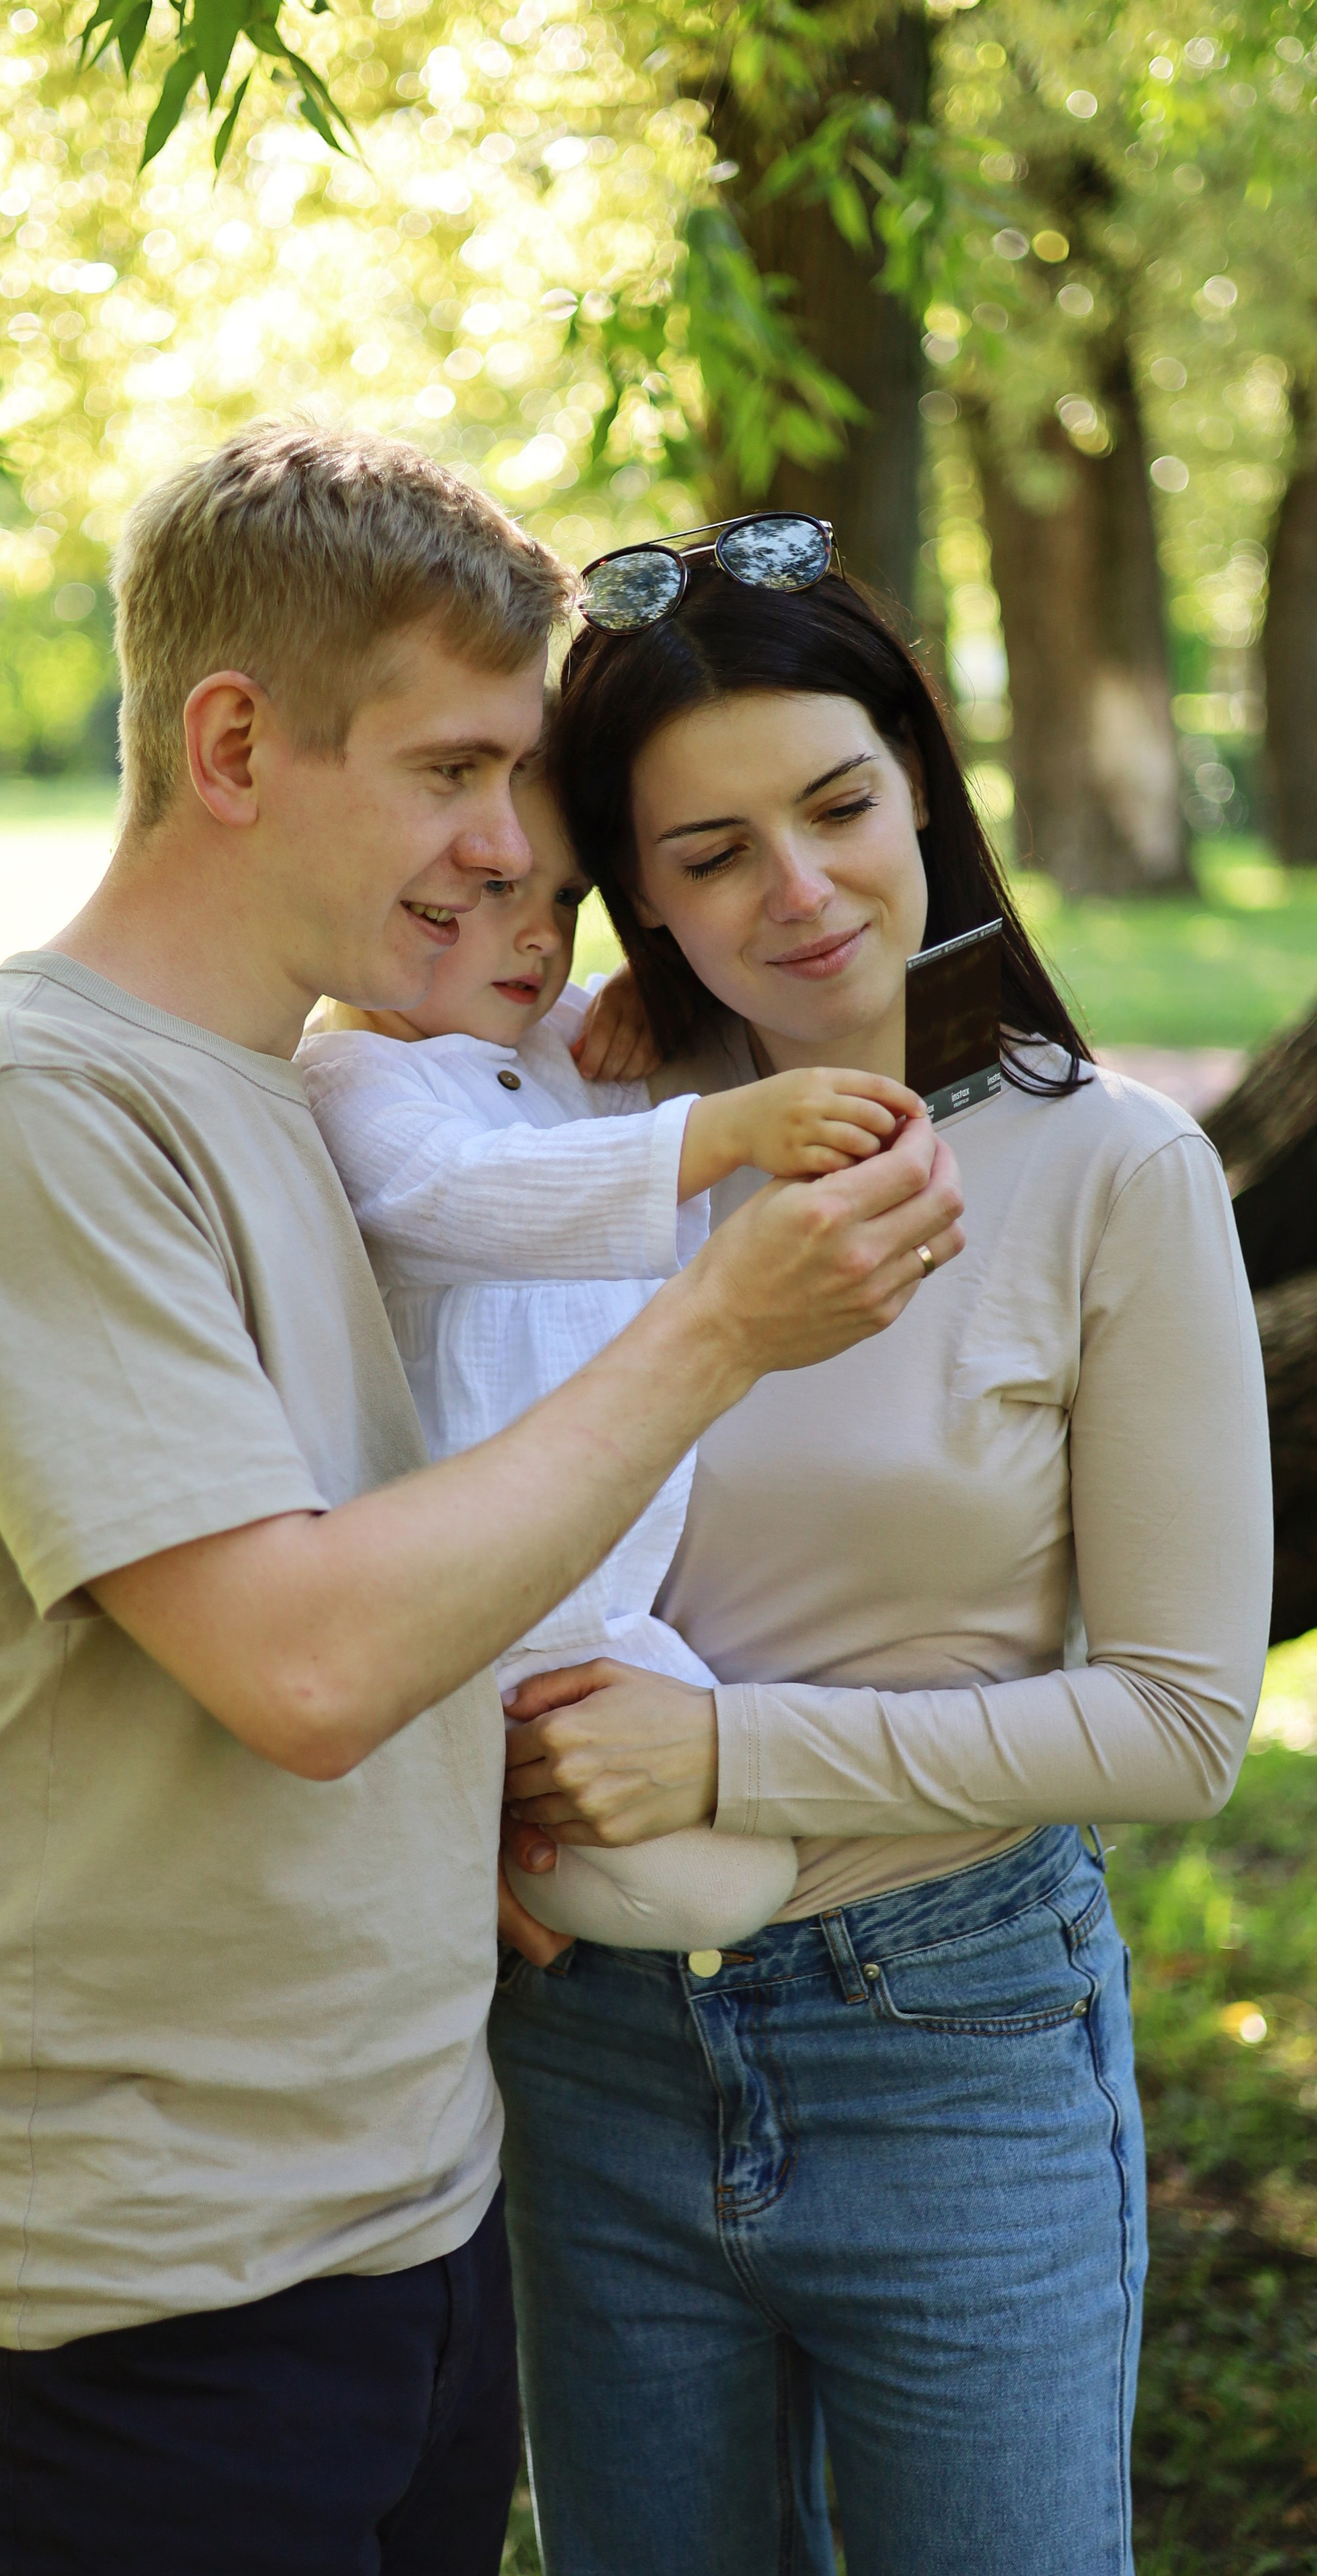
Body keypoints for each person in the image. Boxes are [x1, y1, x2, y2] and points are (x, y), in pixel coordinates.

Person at [0, 433, 967, 2576]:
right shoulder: (33, 1115)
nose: (513, 845)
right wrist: (719, 1322)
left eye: (520, 774)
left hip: (400, 2228)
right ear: (235, 745)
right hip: (139, 2306)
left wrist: (494, 1808)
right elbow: (308, 1661)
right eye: (453, 766)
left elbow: (385, 1581)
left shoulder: (295, 1095)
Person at [489, 523, 1274, 2576]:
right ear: (637, 887)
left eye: (838, 805)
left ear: (921, 780)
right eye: (709, 853)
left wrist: (726, 1756)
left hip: (955, 2037)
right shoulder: (575, 1148)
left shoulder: (1107, 1170)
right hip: (598, 2055)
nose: (801, 894)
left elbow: (1181, 1719)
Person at [298, 760, 921, 1952]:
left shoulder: (557, 1033)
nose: (536, 941)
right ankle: (455, 1843)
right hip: (469, 1606)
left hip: (609, 1600)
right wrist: (714, 1132)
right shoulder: (353, 1078)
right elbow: (468, 1196)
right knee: (713, 1890)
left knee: (743, 1857)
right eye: (490, 896)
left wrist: (649, 992)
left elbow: (699, 1024)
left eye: (568, 902)